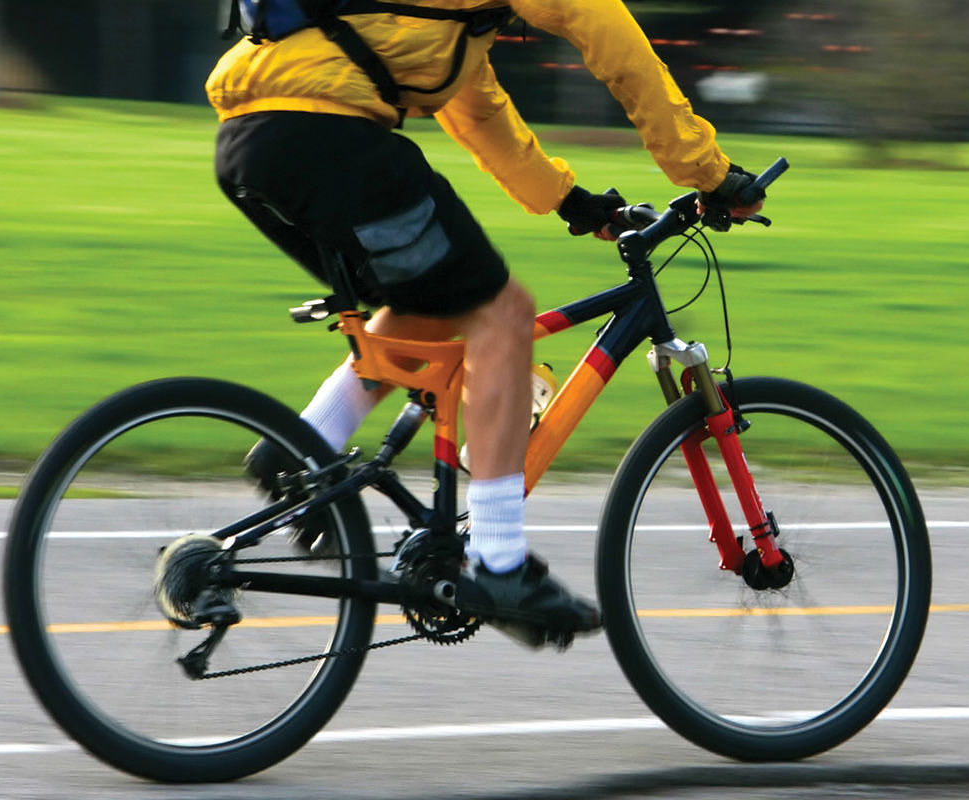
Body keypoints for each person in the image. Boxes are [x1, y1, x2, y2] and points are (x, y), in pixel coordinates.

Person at [207, 0, 761, 646]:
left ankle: (300, 449)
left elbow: (475, 108)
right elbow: (611, 36)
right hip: (327, 136)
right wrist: (709, 173)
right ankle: (500, 565)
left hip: (253, 140)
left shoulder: (449, 20)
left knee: (429, 303)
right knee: (504, 315)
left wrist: (570, 201)